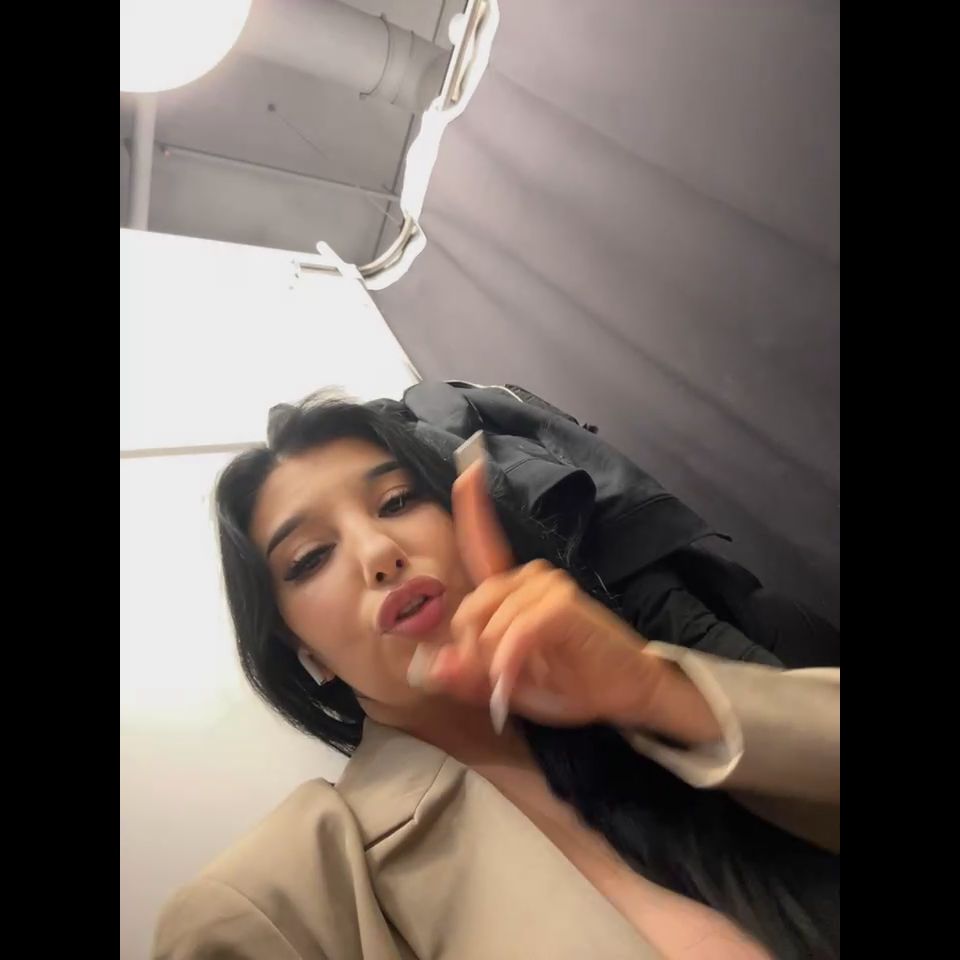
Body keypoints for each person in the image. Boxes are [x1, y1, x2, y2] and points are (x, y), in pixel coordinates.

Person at [153, 394, 840, 960]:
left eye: (396, 501)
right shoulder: (281, 901)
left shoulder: (649, 711)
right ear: (307, 653)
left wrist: (656, 691)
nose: (378, 552)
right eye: (310, 557)